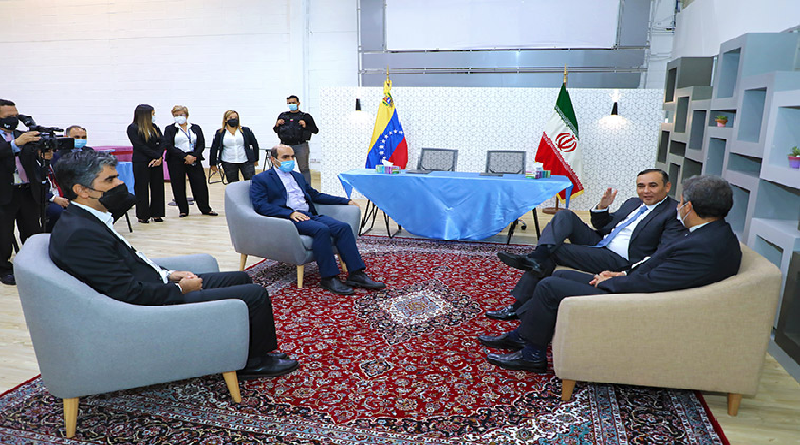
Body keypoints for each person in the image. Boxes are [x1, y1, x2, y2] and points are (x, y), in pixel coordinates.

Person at [49, 150, 298, 378]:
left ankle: (253, 351)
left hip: (154, 283)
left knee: (240, 278)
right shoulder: (81, 233)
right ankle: (252, 364)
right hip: (147, 305)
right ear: (82, 190)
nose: (120, 184)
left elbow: (131, 261)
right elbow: (127, 292)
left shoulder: (89, 218)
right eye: (110, 180)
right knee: (254, 294)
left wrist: (168, 274)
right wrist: (180, 289)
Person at [478, 175, 742, 373]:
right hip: (633, 279)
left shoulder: (701, 246)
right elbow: (660, 267)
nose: (679, 207)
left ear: (688, 206)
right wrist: (620, 273)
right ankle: (524, 336)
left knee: (550, 286)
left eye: (681, 202)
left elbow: (655, 282)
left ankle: (532, 355)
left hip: (639, 300)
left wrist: (616, 280)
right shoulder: (712, 235)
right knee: (558, 277)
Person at [485, 169, 687, 321]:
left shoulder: (672, 213)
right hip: (601, 242)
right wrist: (602, 207)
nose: (646, 191)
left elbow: (663, 252)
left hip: (619, 259)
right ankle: (537, 257)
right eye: (641, 186)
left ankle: (519, 303)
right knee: (565, 215)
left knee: (555, 251)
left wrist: (627, 272)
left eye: (653, 186)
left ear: (667, 187)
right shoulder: (633, 202)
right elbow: (604, 225)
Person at [250, 144, 385, 295]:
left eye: (292, 156)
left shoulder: (297, 176)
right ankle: (329, 277)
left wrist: (345, 201)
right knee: (321, 229)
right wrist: (289, 213)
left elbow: (315, 195)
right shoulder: (261, 179)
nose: (291, 160)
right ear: (273, 159)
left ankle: (356, 274)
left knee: (343, 227)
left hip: (309, 214)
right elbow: (260, 205)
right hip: (288, 219)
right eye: (285, 157)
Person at [0, 99, 42, 285]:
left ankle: (35, 264)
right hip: (4, 192)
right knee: (3, 234)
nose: (13, 119)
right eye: (8, 116)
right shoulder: (19, 139)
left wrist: (43, 155)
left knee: (33, 231)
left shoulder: (23, 135)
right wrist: (15, 144)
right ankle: (4, 269)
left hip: (26, 190)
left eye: (15, 115)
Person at [162, 105, 217, 218]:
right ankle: (183, 210)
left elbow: (201, 143)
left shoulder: (195, 128)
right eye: (176, 115)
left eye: (181, 114)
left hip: (194, 158)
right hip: (176, 159)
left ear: (186, 115)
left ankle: (205, 208)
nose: (179, 117)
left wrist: (193, 156)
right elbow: (169, 145)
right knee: (178, 184)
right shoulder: (170, 129)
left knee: (200, 184)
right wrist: (184, 156)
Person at [126, 104, 165, 223]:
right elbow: (140, 146)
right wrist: (155, 155)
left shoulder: (154, 127)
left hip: (156, 161)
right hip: (141, 161)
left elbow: (163, 141)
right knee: (141, 188)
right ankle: (143, 215)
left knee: (157, 187)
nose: (154, 116)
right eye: (152, 114)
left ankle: (157, 213)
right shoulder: (133, 128)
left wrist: (159, 157)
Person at [273, 95, 318, 184]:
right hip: (285, 145)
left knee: (304, 168)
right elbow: (275, 130)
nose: (291, 105)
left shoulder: (305, 116)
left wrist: (305, 125)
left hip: (300, 145)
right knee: (283, 167)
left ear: (298, 103)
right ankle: (284, 185)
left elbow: (315, 130)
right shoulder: (283, 116)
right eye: (289, 103)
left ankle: (307, 188)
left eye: (293, 103)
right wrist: (277, 124)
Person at [209, 110, 259, 183]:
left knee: (250, 181)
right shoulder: (220, 132)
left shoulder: (245, 130)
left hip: (245, 160)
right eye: (230, 117)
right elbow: (214, 148)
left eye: (235, 117)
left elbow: (255, 144)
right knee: (233, 183)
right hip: (228, 161)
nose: (233, 119)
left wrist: (256, 159)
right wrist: (212, 164)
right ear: (226, 119)